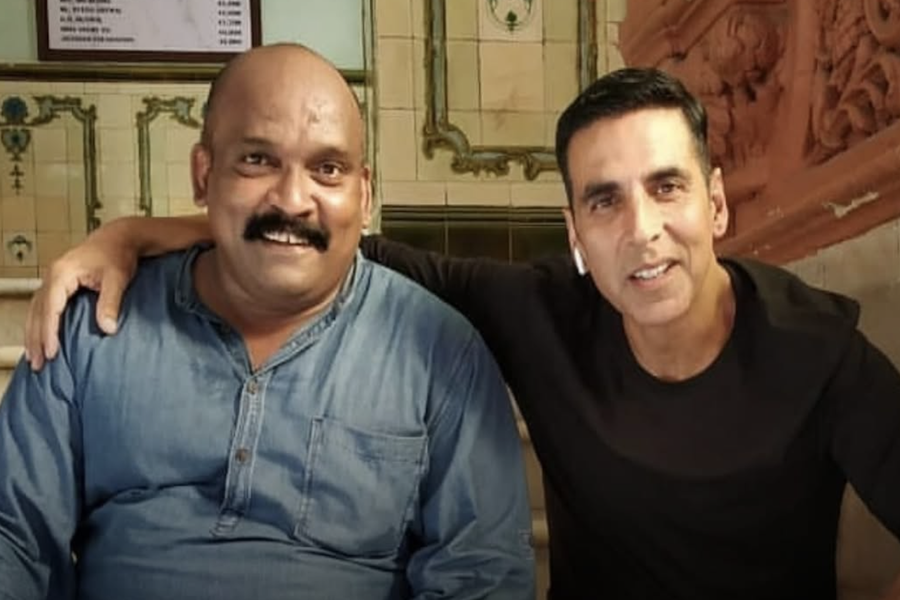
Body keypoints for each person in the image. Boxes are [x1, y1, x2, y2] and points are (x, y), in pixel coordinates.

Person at [22, 67, 900, 599]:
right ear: (574, 233)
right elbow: (317, 239)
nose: (641, 230)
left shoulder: (818, 350)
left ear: (716, 204)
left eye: (667, 187)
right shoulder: (538, 313)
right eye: (604, 201)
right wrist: (130, 235)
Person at [0, 43, 536, 600]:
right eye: (258, 160)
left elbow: (483, 576)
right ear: (204, 174)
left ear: (364, 194)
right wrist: (123, 235)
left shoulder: (441, 351)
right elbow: (14, 536)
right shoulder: (93, 325)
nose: (292, 200)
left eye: (328, 169)